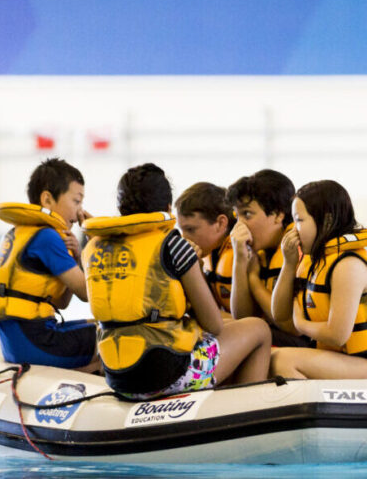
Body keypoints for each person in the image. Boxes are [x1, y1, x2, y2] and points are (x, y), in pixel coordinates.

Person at [82, 163, 272, 399]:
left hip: (117, 376)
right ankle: (247, 417)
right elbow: (214, 325)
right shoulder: (174, 245)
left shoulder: (93, 246)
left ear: (121, 207)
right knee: (259, 329)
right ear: (167, 207)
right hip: (166, 374)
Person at [270, 180, 367, 379]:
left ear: (327, 221)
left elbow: (337, 335)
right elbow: (279, 315)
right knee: (268, 356)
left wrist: (300, 323)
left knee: (281, 360)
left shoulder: (348, 265)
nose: (294, 230)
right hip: (339, 358)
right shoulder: (315, 260)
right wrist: (289, 264)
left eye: (300, 220)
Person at [0, 158, 98, 372]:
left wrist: (75, 256)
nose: (81, 211)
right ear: (47, 199)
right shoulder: (47, 238)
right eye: (76, 201)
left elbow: (61, 303)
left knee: (95, 327)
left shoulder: (20, 232)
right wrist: (95, 241)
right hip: (37, 343)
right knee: (114, 334)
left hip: (18, 345)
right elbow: (88, 293)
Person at [226, 169, 311, 347]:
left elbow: (289, 325)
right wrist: (240, 261)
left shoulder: (300, 250)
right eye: (237, 215)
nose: (239, 225)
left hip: (305, 344)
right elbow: (242, 318)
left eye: (247, 214)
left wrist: (254, 281)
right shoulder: (262, 253)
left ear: (278, 215)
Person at [174, 182, 235, 317]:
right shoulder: (209, 254)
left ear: (220, 223)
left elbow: (246, 321)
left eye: (190, 229)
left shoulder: (242, 255)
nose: (184, 238)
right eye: (181, 230)